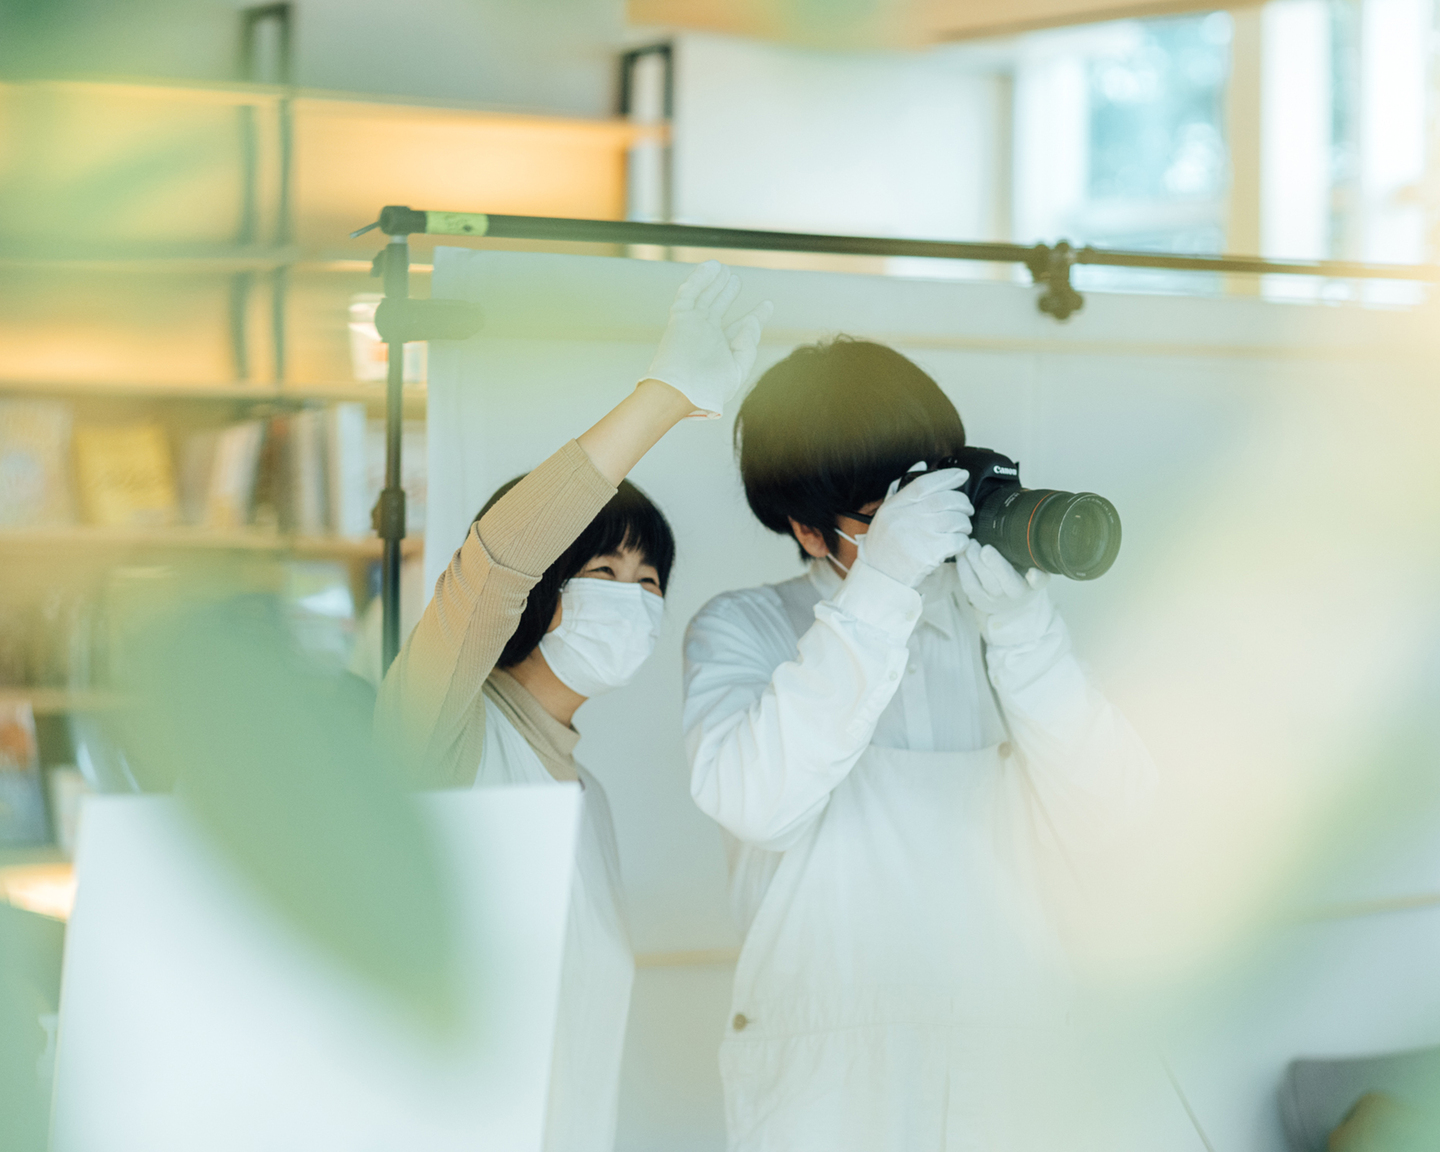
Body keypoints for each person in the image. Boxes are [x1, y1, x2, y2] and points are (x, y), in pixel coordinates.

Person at [682, 337, 1155, 1150]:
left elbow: (1118, 815)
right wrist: (879, 591)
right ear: (809, 530)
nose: (930, 530)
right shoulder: (744, 629)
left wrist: (1028, 639)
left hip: (1014, 1055)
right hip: (828, 1073)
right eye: (890, 514)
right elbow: (758, 804)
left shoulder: (992, 619)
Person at [376, 261, 771, 1152]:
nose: (632, 596)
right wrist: (662, 401)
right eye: (602, 570)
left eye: (649, 579)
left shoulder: (584, 799)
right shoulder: (445, 729)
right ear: (546, 589)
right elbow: (495, 564)